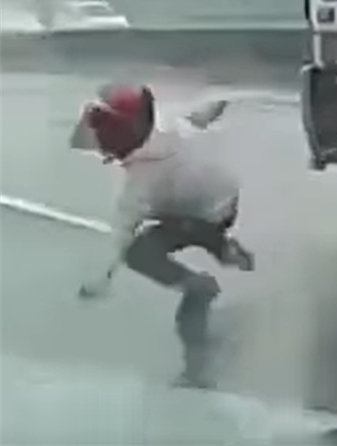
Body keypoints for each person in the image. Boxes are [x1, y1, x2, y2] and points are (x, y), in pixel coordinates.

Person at [71, 83, 255, 388]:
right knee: (186, 222)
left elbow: (121, 236)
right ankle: (224, 249)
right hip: (223, 203)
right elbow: (203, 114)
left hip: (199, 216)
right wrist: (228, 98)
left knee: (138, 252)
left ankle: (198, 347)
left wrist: (99, 281)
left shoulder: (141, 183)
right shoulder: (173, 125)